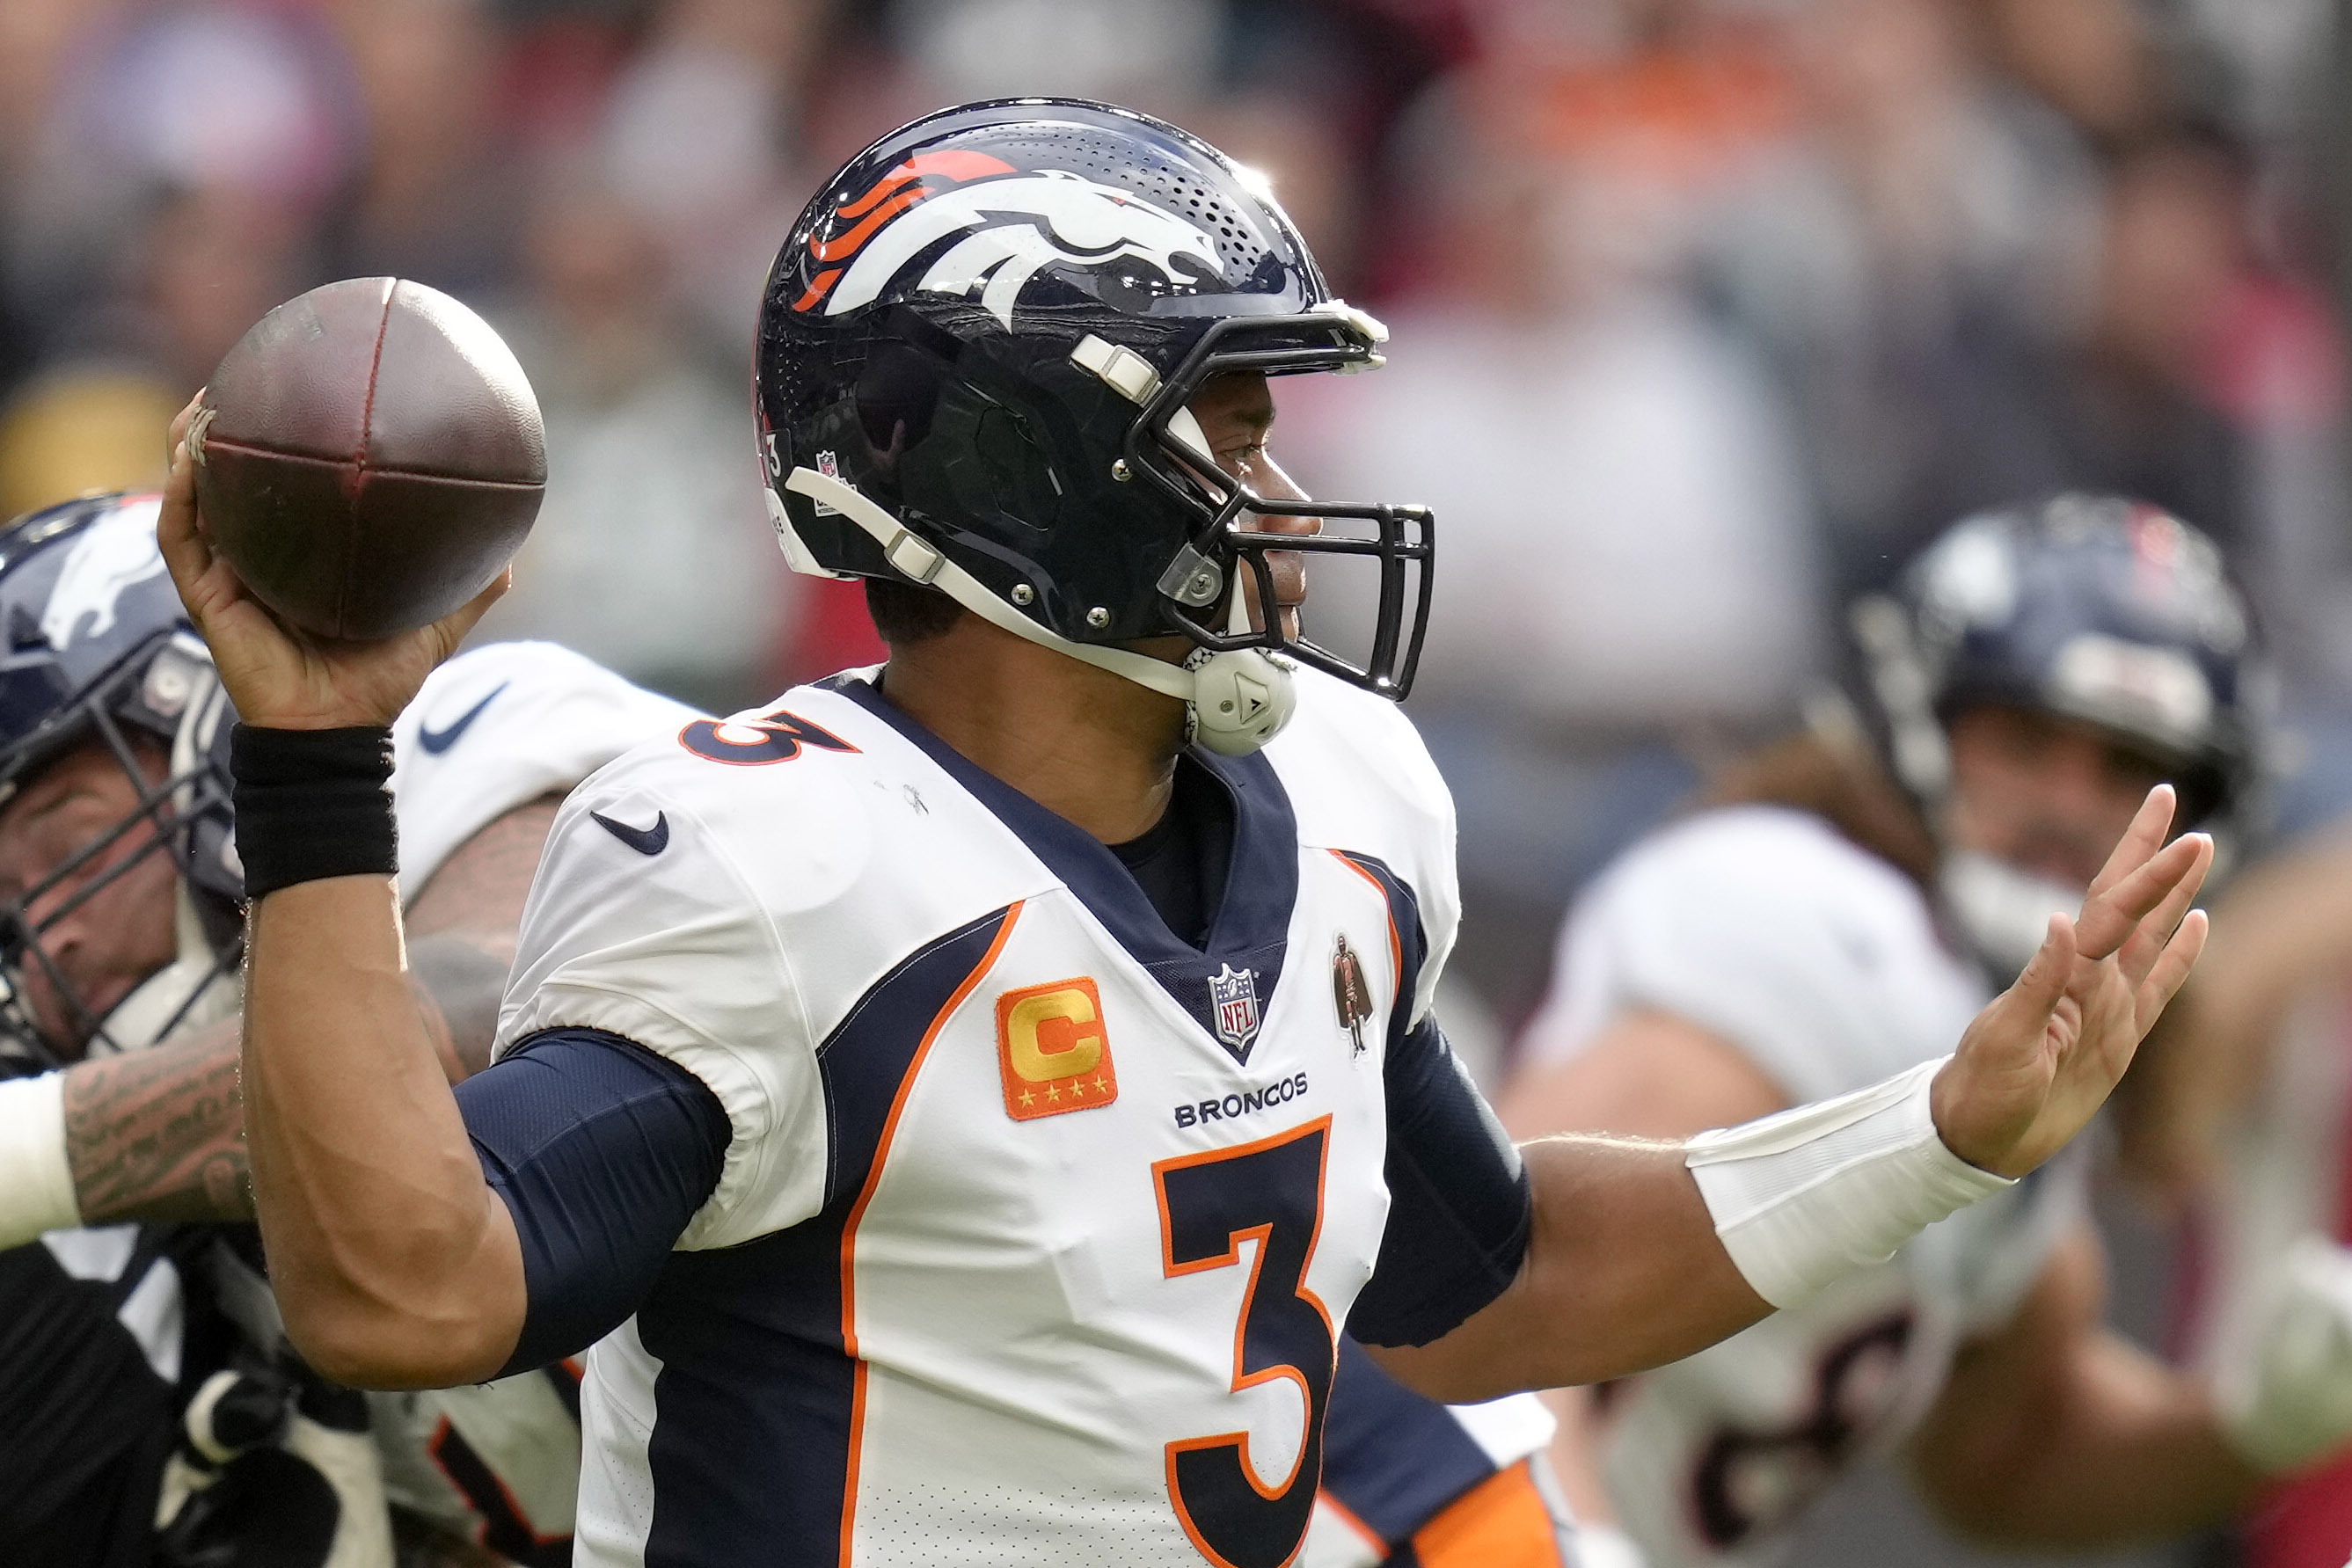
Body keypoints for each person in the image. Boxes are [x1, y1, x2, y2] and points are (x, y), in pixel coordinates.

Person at [170, 100, 2207, 1568]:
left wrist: (1938, 1130)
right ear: (1013, 459)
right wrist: (315, 757)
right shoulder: (773, 861)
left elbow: (1481, 1273)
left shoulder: (1342, 793)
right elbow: (409, 1285)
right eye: (1222, 421)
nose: (1277, 479)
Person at [1493, 495, 2352, 1568]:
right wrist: (1559, 1545)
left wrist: (2252, 1427)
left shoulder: (1997, 1023)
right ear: (1918, 718)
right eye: (2025, 739)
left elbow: (2006, 1452)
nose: (2069, 805)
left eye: (2131, 768)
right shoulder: (1808, 914)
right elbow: (1495, 1270)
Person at [0, 492, 694, 1565]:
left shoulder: (452, 739)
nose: (53, 938)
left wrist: (29, 1153)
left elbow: (503, 1016)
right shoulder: (138, 1238)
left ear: (207, 715)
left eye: (65, 838)